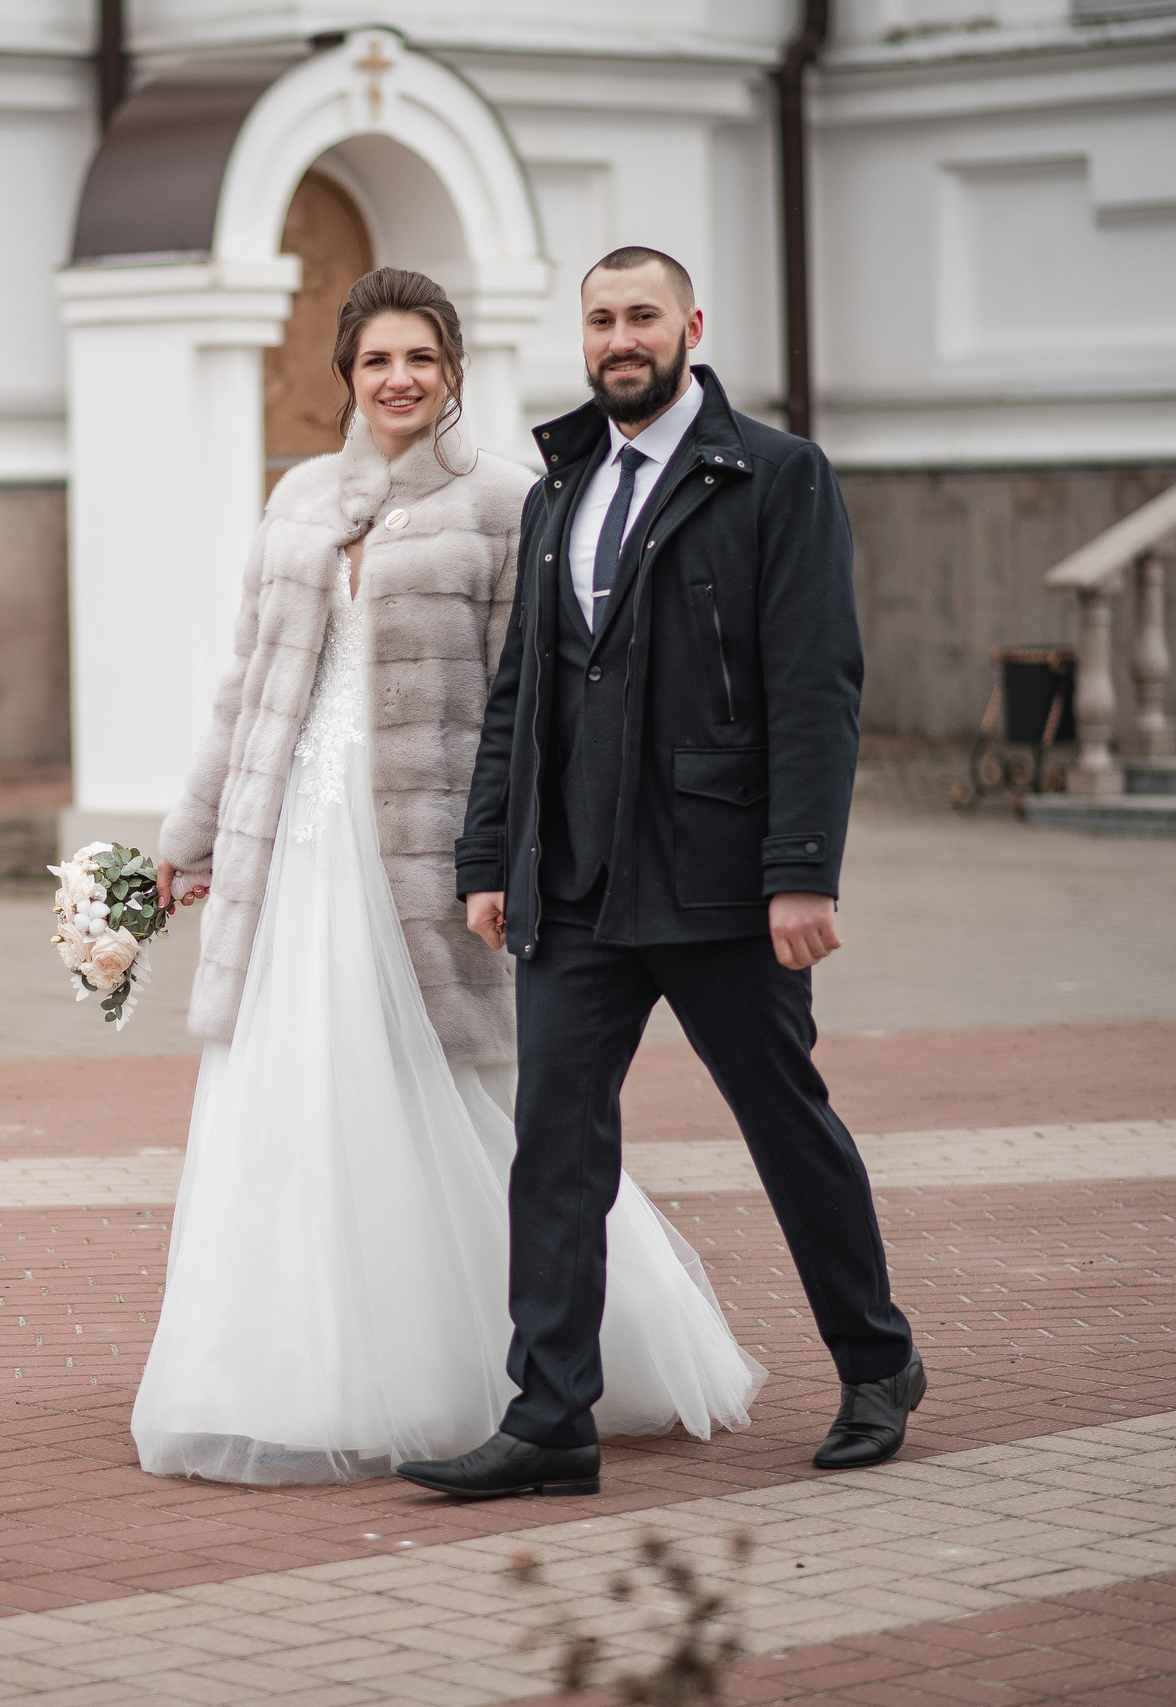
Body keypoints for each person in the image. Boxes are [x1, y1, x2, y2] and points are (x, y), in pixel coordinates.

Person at [134, 267, 765, 1486]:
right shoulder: (299, 500)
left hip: (421, 853)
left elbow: (522, 706)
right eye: (376, 360)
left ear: (454, 369)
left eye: (420, 357)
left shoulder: (505, 501)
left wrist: (506, 859)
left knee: (454, 1100)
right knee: (291, 1107)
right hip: (293, 843)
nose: (399, 379)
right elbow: (245, 683)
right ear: (347, 376)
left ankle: (546, 1360)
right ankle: (292, 1370)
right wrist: (191, 829)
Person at [397, 247, 921, 1501]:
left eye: (640, 317)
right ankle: (550, 1418)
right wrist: (492, 860)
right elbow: (519, 696)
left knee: (784, 1124)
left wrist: (800, 872)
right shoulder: (557, 484)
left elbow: (815, 685)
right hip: (573, 887)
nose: (618, 338)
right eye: (599, 320)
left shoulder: (776, 474)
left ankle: (875, 1362)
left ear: (690, 325)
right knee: (554, 1147)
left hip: (719, 876)